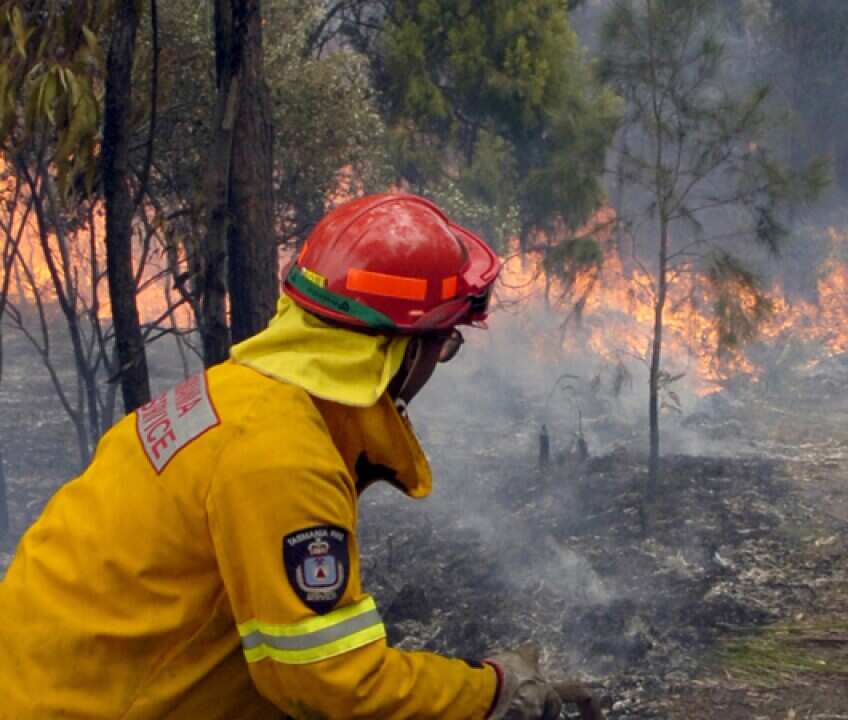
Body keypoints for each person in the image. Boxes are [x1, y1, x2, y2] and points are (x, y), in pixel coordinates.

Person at [0, 193, 560, 719]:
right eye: (446, 345)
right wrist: (492, 690)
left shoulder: (241, 397)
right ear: (404, 349)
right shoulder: (285, 459)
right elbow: (331, 684)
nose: (439, 362)